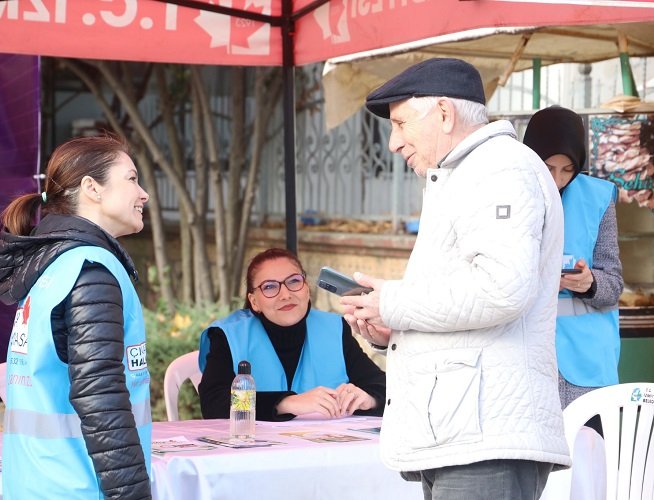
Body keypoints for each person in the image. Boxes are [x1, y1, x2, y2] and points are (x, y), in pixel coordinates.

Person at [339, 58, 571, 500]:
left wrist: (393, 302)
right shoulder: (466, 173)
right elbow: (462, 300)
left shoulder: (499, 168)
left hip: (486, 439)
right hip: (463, 432)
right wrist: (394, 328)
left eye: (402, 123)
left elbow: (502, 289)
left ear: (444, 113)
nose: (392, 142)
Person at [0, 134, 152, 499]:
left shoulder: (52, 264)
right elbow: (100, 395)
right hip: (79, 486)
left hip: (37, 483)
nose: (143, 194)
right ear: (92, 188)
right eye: (131, 178)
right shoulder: (90, 269)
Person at [198, 248, 386, 421]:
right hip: (253, 451)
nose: (285, 294)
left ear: (306, 288)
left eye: (294, 281)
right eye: (270, 287)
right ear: (254, 301)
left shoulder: (334, 328)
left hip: (324, 451)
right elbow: (214, 403)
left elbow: (385, 388)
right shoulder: (229, 335)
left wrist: (369, 399)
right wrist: (285, 403)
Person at [523, 106, 623, 411]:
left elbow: (614, 284)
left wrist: (590, 283)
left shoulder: (599, 197)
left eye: (568, 170)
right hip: (525, 358)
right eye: (548, 167)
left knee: (590, 455)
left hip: (587, 363)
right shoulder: (509, 194)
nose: (557, 179)